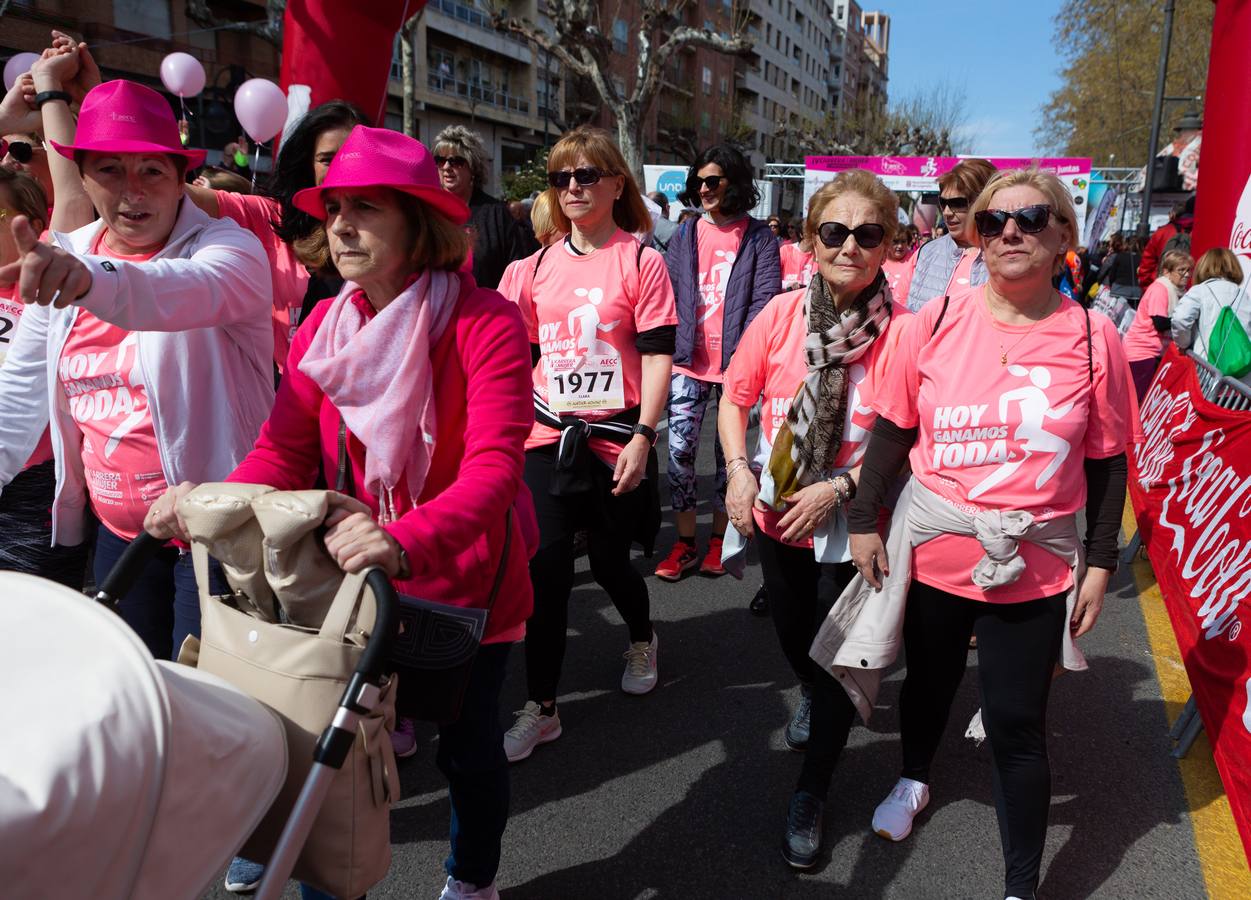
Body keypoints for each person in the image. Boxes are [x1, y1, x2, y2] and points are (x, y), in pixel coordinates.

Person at [145, 124, 536, 900]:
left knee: (465, 751)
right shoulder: (328, 323)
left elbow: (494, 470)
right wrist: (210, 501)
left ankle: (472, 878)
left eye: (367, 208)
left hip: (463, 584)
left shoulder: (484, 320)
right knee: (331, 749)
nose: (342, 225)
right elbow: (283, 451)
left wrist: (401, 538)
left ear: (417, 223)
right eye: (334, 209)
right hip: (344, 582)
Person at [845, 168, 1137, 900]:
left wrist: (1099, 562)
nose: (1010, 231)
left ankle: (1018, 885)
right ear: (975, 236)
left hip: (1034, 565)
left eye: (1031, 218)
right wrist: (861, 520)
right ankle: (914, 775)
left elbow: (1105, 460)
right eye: (993, 221)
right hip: (937, 552)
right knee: (929, 685)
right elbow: (890, 429)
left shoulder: (1095, 339)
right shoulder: (932, 321)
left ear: (1062, 236)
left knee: (1014, 722)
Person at [0, 72, 273, 661]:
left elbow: (179, 291)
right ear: (85, 177)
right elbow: (17, 401)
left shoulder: (229, 249)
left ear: (181, 179)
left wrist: (88, 282)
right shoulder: (69, 254)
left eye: (151, 170)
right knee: (134, 699)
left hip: (217, 536)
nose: (132, 192)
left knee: (204, 709)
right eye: (109, 170)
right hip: (119, 536)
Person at [718, 169, 911, 868]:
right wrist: (738, 471)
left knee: (836, 658)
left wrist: (837, 488)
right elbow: (733, 401)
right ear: (811, 240)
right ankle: (805, 687)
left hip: (857, 519)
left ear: (887, 244)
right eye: (834, 232)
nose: (849, 246)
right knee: (798, 638)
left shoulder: (904, 333)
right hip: (777, 511)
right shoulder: (777, 315)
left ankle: (812, 789)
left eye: (867, 234)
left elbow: (911, 436)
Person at [502, 126, 675, 763]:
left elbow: (658, 356)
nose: (572, 187)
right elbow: (512, 352)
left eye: (585, 176)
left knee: (607, 563)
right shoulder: (533, 268)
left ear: (615, 183)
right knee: (543, 570)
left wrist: (644, 435)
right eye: (560, 177)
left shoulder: (640, 260)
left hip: (614, 439)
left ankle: (642, 635)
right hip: (546, 436)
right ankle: (542, 706)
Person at [655, 144, 780, 580]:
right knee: (679, 453)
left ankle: (717, 540)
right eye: (699, 182)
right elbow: (667, 296)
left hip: (736, 368)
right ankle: (685, 542)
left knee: (728, 460)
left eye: (713, 181)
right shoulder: (686, 234)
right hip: (688, 363)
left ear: (735, 184)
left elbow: (764, 305)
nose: (704, 189)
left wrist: (745, 363)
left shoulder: (760, 237)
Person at [0, 167, 89, 587]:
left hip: (30, 489)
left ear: (35, 226)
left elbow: (74, 199)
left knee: (32, 628)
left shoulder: (48, 287)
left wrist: (54, 101)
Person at [433, 125, 537, 289]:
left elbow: (518, 273)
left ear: (473, 167)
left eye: (456, 161)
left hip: (487, 309)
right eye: (440, 160)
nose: (446, 167)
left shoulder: (498, 215)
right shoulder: (429, 213)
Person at [905, 158, 997, 312]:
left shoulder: (1009, 256)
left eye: (958, 203)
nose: (947, 212)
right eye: (943, 203)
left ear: (986, 201)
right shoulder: (924, 253)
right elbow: (901, 312)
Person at [1171, 247, 1250, 384]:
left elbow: (1180, 319)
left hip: (1208, 375)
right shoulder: (1244, 295)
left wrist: (1183, 344)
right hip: (1242, 379)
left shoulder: (1199, 291)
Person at [1122, 248, 1192, 398]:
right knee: (1138, 400)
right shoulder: (1160, 288)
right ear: (1166, 271)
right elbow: (1159, 322)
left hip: (1155, 353)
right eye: (1181, 270)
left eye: (1188, 270)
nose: (1186, 275)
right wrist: (1185, 322)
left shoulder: (1178, 291)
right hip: (1142, 353)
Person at [1138, 197, 1194, 290]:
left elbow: (1146, 265)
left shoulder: (1162, 232)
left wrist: (1148, 288)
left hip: (1161, 284)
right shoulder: (1204, 233)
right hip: (1188, 289)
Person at [1095, 231, 1143, 304]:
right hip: (1135, 293)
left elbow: (1112, 275)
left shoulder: (1119, 256)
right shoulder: (1141, 258)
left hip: (1118, 290)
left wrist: (1110, 285)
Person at [881, 224, 917, 302]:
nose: (900, 246)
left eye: (903, 241)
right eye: (895, 241)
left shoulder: (914, 259)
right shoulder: (880, 260)